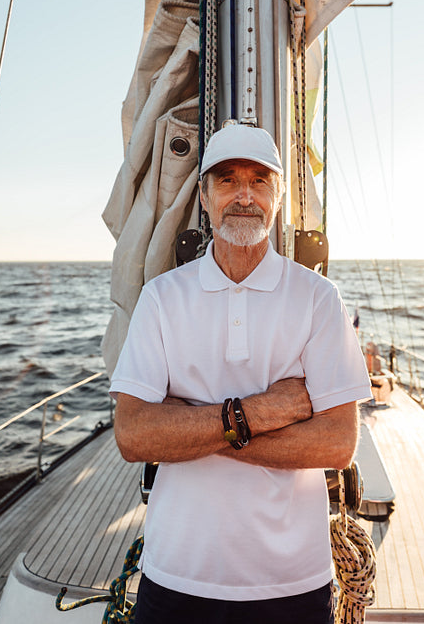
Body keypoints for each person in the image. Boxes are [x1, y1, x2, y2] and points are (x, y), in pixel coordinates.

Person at [110, 124, 371, 624]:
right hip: (175, 576)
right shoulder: (162, 299)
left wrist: (190, 427)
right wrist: (263, 412)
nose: (244, 195)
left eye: (259, 180)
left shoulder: (318, 300)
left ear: (277, 196)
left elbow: (336, 443)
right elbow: (135, 434)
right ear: (205, 197)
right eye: (227, 180)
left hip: (293, 582)